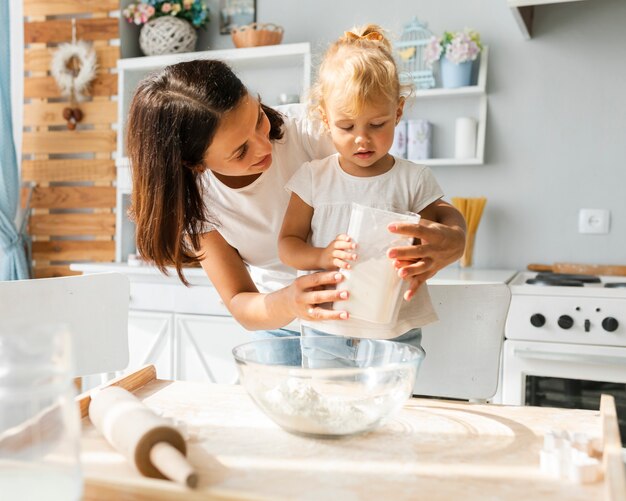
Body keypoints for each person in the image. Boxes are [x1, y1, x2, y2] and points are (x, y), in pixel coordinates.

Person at [126, 55, 466, 336]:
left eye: (258, 118)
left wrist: (453, 237)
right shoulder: (199, 203)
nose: (264, 146)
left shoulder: (313, 130)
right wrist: (290, 302)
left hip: (365, 309)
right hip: (279, 317)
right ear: (195, 164)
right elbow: (241, 303)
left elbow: (412, 194)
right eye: (240, 150)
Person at [278, 24, 446, 348]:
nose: (362, 138)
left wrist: (423, 254)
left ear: (397, 112)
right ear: (325, 120)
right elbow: (287, 244)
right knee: (328, 400)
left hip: (394, 329)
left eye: (377, 124)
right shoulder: (313, 178)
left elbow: (438, 237)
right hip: (325, 327)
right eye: (346, 125)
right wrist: (323, 256)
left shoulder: (414, 178)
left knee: (392, 400)